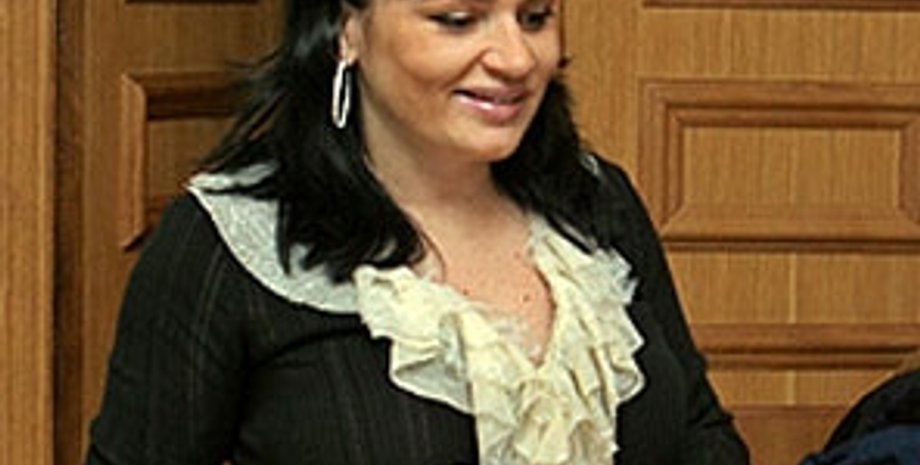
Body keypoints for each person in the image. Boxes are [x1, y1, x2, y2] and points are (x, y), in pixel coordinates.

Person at [85, 0, 749, 464]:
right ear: (345, 28)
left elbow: (699, 437)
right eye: (457, 20)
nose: (517, 58)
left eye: (535, 17)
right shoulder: (226, 243)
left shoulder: (597, 202)